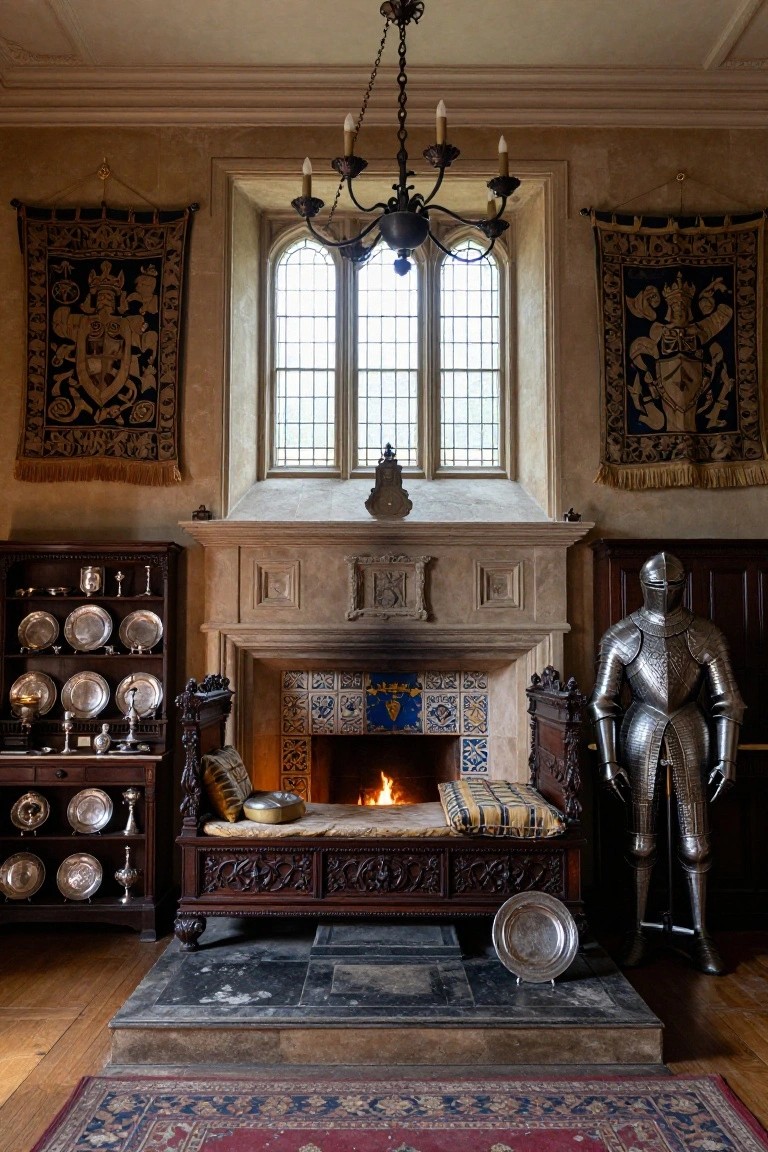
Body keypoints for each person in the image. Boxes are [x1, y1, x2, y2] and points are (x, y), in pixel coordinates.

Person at [588, 551, 744, 975]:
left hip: (693, 733)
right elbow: (603, 701)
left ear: (684, 586)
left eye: (672, 585)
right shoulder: (621, 635)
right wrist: (607, 761)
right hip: (639, 733)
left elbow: (728, 701)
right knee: (641, 843)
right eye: (658, 585)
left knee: (697, 843)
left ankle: (701, 934)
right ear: (643, 585)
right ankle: (637, 930)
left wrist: (727, 759)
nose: (665, 593)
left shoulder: (705, 634)